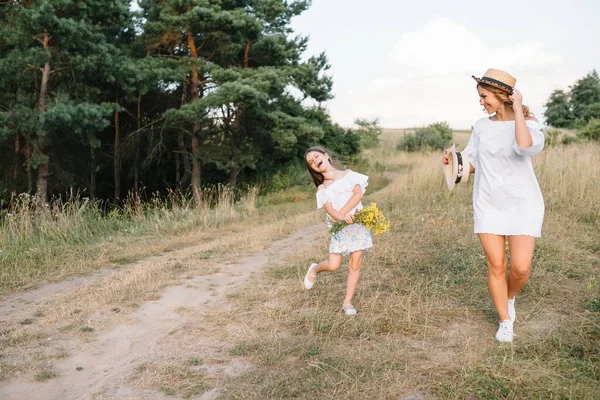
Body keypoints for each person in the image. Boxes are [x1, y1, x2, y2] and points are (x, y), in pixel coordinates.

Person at [442, 69, 545, 342]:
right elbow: (474, 164)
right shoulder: (481, 126)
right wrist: (455, 164)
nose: (481, 102)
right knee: (496, 265)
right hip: (488, 203)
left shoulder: (531, 126)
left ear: (502, 96)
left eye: (485, 96)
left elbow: (524, 147)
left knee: (521, 268)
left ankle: (508, 296)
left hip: (523, 203)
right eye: (480, 97)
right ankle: (505, 320)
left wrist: (519, 110)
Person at [303, 146, 372, 315]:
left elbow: (358, 195)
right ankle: (315, 269)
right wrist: (342, 216)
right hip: (340, 228)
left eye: (316, 156)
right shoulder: (322, 189)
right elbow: (331, 211)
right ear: (312, 168)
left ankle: (347, 303)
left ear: (326, 156)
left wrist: (345, 214)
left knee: (355, 265)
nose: (314, 161)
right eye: (311, 162)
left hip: (357, 226)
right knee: (333, 265)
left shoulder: (349, 175)